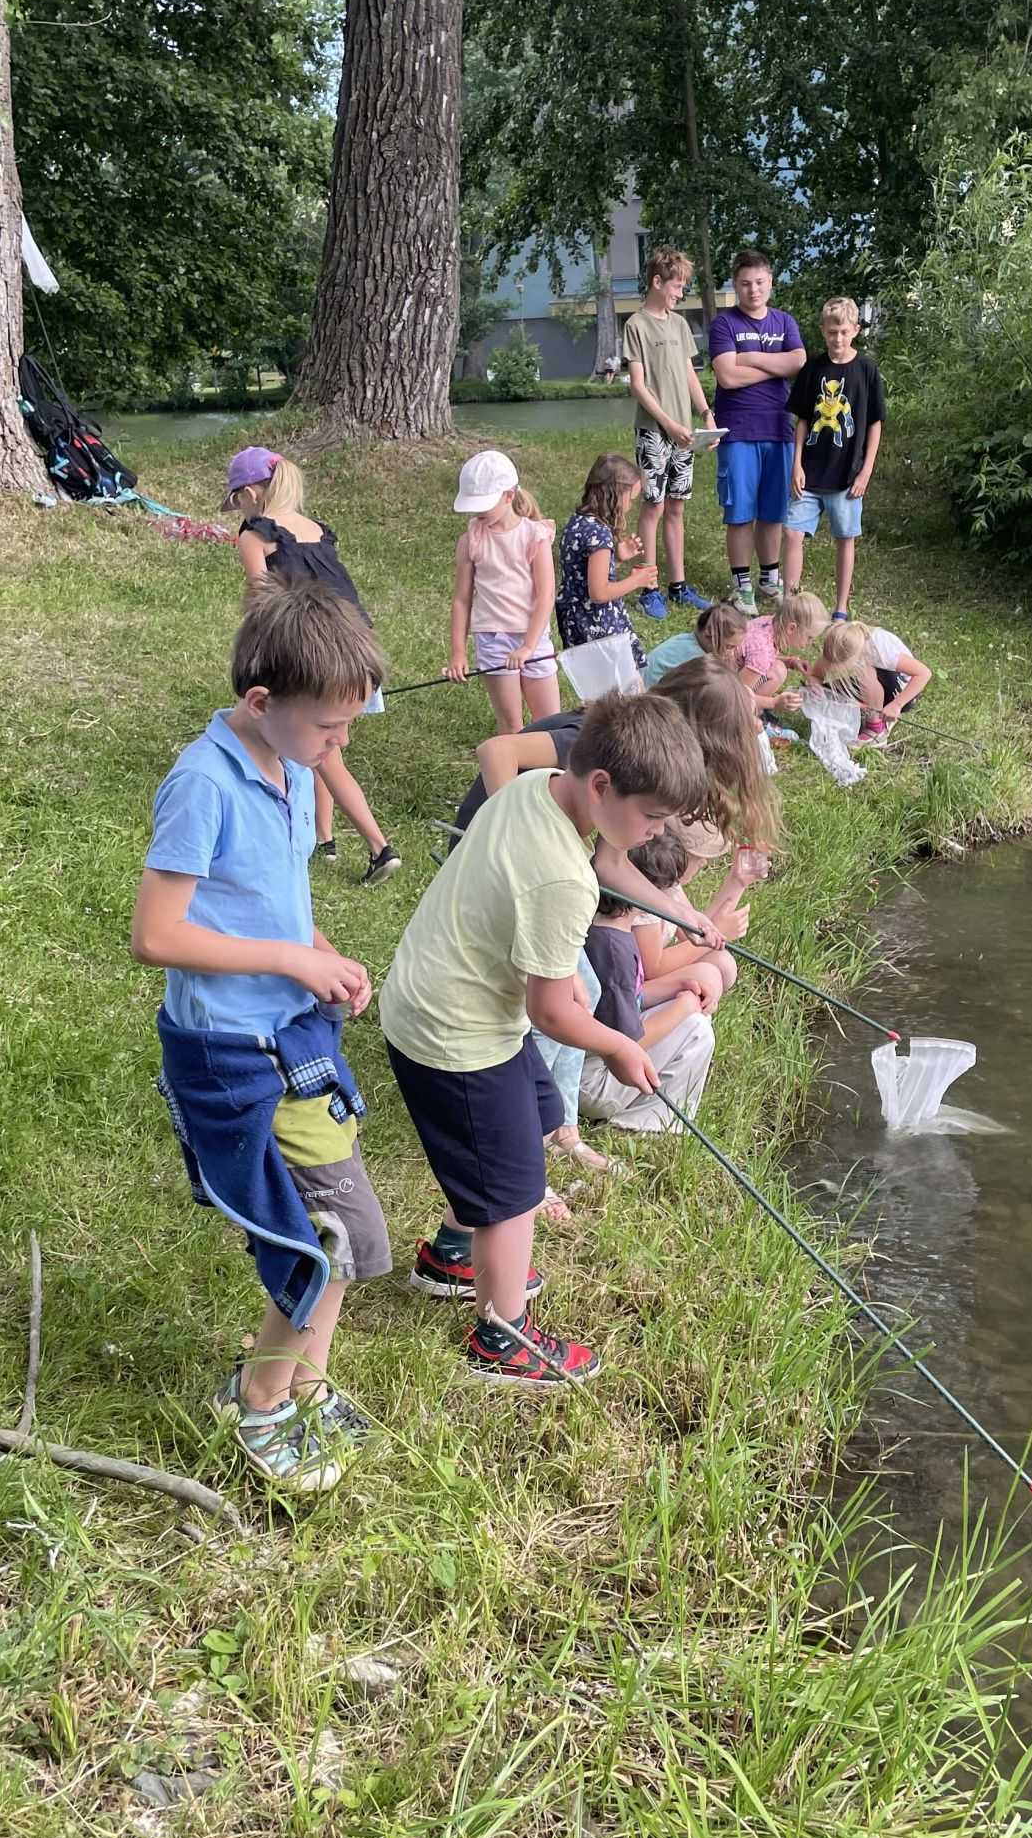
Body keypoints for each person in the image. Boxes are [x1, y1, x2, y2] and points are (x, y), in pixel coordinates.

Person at [132, 580, 391, 1496]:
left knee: (343, 1234)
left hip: (289, 1031)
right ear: (259, 703)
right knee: (332, 1239)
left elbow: (270, 897)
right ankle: (260, 1400)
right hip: (233, 1054)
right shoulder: (202, 784)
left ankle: (302, 1391)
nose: (341, 745)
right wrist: (289, 959)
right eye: (329, 729)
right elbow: (156, 935)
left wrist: (321, 951)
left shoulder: (290, 765)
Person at [379, 693, 711, 1383]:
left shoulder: (540, 787)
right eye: (649, 817)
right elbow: (553, 1012)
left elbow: (608, 860)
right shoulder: (557, 878)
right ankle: (502, 1339)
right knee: (514, 1189)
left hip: (441, 997)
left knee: (533, 1115)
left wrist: (672, 907)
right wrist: (620, 1046)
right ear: (601, 787)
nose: (653, 833)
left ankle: (452, 1256)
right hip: (457, 1035)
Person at [448, 657, 776, 1179]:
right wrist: (513, 834)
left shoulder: (631, 780)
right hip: (497, 865)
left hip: (553, 873)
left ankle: (563, 1128)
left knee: (583, 990)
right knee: (550, 1002)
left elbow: (607, 863)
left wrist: (678, 912)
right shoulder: (595, 740)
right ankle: (534, 1127)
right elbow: (496, 750)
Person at [224, 445, 399, 885]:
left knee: (326, 759)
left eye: (236, 500)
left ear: (250, 493)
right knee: (323, 748)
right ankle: (324, 839)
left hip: (317, 658)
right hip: (356, 651)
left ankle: (380, 847)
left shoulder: (254, 534)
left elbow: (265, 605)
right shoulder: (317, 530)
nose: (237, 509)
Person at [578, 828, 721, 1133]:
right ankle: (642, 1125)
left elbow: (625, 1002)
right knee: (695, 1029)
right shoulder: (615, 952)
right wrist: (682, 1007)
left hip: (592, 1070)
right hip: (591, 1084)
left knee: (692, 1020)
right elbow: (626, 1044)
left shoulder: (606, 932)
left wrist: (677, 987)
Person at [709, 251, 806, 614]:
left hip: (778, 428)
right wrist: (775, 367)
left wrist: (748, 358)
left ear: (770, 283)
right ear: (736, 286)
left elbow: (798, 361)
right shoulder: (724, 324)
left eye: (760, 283)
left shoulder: (784, 321)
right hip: (738, 430)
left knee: (772, 512)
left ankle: (769, 580)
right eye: (746, 284)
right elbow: (727, 376)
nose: (753, 290)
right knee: (740, 512)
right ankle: (742, 586)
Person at [623, 244, 715, 618]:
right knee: (654, 505)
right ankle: (648, 587)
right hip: (655, 431)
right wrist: (669, 423)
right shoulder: (636, 325)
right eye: (677, 286)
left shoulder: (680, 325)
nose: (680, 293)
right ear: (657, 282)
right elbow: (638, 386)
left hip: (684, 432)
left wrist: (705, 414)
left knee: (676, 506)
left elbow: (690, 374)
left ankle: (678, 586)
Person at [783, 298, 887, 618]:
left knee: (845, 537)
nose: (838, 339)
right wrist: (796, 464)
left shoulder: (867, 369)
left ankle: (841, 608)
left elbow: (874, 423)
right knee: (791, 532)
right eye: (831, 332)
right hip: (811, 472)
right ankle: (790, 602)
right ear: (822, 331)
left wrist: (866, 470)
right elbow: (801, 419)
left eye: (843, 331)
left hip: (847, 474)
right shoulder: (813, 368)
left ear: (855, 330)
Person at [446, 448, 560, 734]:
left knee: (550, 721)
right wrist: (458, 652)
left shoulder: (535, 536)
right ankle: (513, 774)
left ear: (509, 496)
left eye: (483, 505)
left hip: (533, 639)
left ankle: (549, 774)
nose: (477, 512)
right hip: (493, 639)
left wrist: (528, 646)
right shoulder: (471, 539)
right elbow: (461, 600)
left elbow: (546, 595)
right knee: (510, 724)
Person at [557, 453, 652, 679]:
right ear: (616, 494)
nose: (630, 506)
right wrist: (636, 581)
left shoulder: (578, 521)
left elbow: (583, 574)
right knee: (625, 688)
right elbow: (599, 593)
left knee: (596, 691)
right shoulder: (599, 533)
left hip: (575, 619)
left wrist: (617, 558)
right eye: (631, 498)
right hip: (598, 625)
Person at [813, 616, 933, 745]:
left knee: (866, 673)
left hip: (904, 690)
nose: (831, 667)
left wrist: (896, 705)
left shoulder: (881, 650)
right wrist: (815, 689)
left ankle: (876, 727)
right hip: (878, 678)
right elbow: (816, 676)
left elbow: (924, 673)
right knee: (830, 691)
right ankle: (868, 704)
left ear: (853, 657)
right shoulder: (838, 646)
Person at [735, 590, 830, 713]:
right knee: (778, 672)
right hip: (720, 693)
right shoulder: (762, 653)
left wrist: (791, 661)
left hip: (723, 675)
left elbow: (753, 657)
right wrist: (774, 703)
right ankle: (748, 716)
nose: (810, 643)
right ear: (791, 628)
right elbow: (736, 695)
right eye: (810, 637)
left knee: (779, 667)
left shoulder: (768, 622)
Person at [644, 597, 746, 688]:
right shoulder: (698, 661)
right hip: (648, 697)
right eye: (729, 647)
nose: (732, 653)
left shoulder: (687, 640)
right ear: (710, 635)